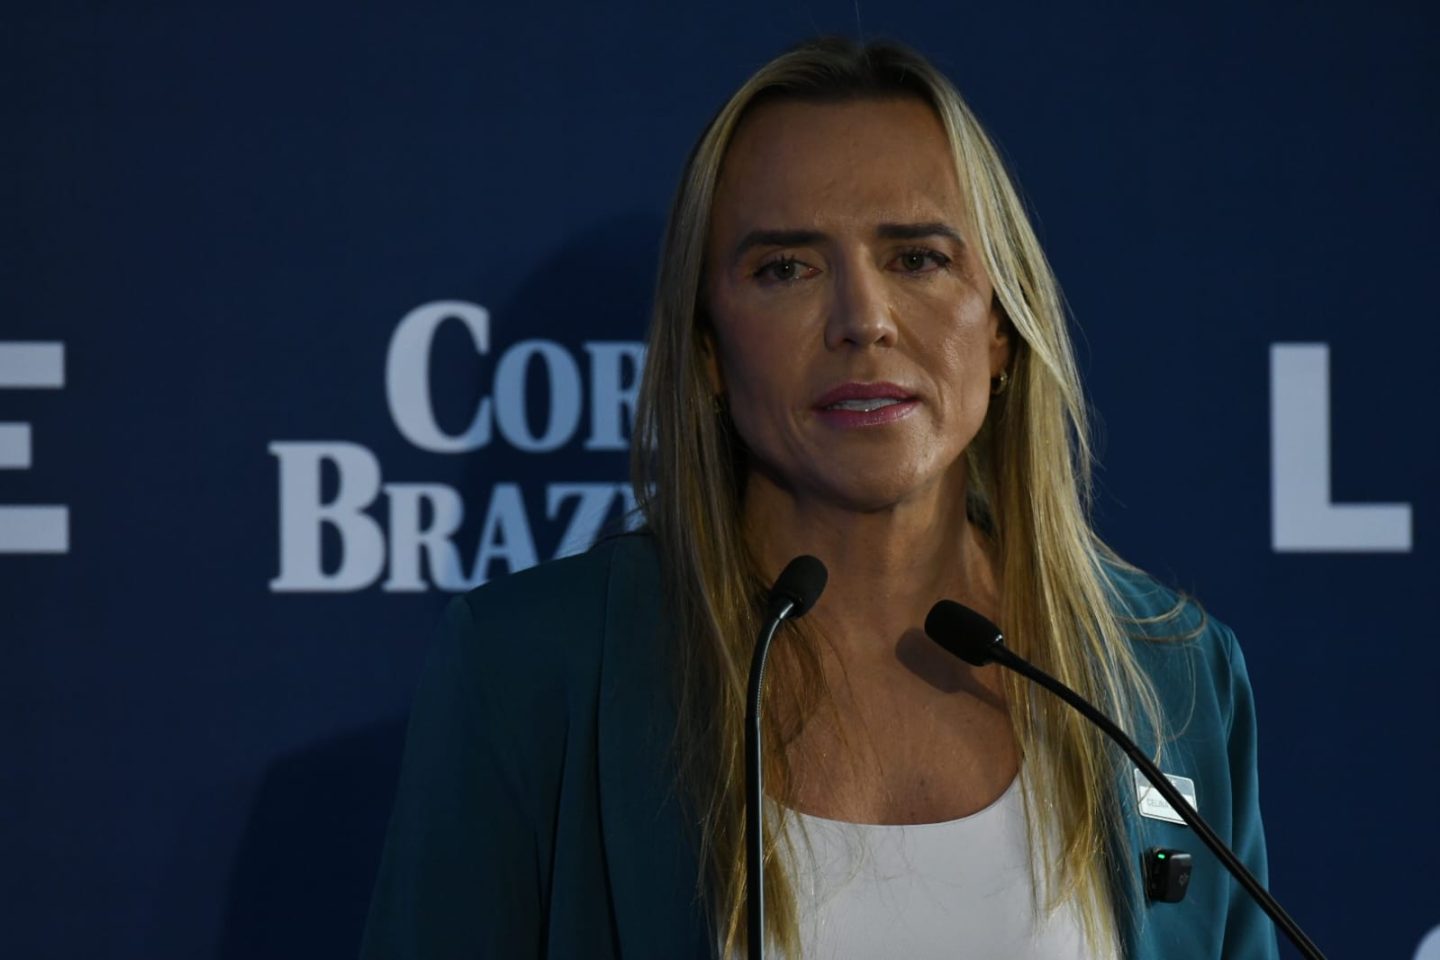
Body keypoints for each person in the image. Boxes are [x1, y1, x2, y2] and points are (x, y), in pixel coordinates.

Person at [360, 36, 1278, 960]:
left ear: (1001, 324)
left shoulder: (1172, 674)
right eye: (786, 268)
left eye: (917, 258)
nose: (862, 319)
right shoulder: (531, 670)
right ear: (709, 351)